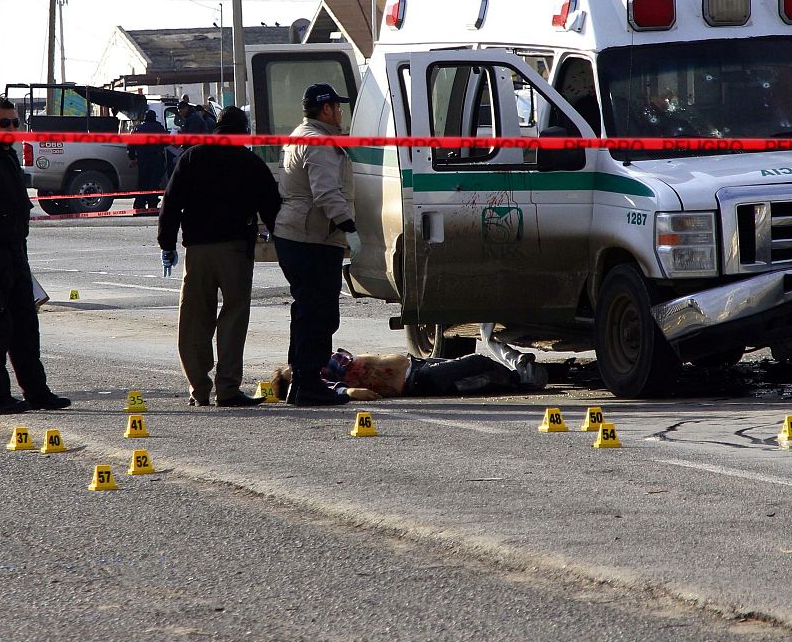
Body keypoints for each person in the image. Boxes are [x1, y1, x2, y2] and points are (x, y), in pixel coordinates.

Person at [158, 106, 282, 407]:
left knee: (194, 319)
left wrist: (167, 244)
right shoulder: (249, 161)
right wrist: (283, 241)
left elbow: (171, 203)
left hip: (197, 251)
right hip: (235, 251)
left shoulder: (191, 157)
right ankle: (227, 388)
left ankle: (198, 390)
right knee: (234, 316)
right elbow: (272, 207)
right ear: (243, 131)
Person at [0, 97, 70, 417]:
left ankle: (37, 392)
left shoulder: (8, 157)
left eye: (15, 123)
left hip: (15, 253)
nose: (11, 128)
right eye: (4, 123)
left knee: (26, 327)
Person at [273, 83, 357, 406]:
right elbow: (325, 193)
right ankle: (307, 382)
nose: (340, 114)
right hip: (311, 240)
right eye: (337, 107)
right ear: (326, 109)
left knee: (307, 309)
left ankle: (301, 380)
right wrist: (349, 227)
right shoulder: (319, 142)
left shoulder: (302, 134)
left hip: (300, 236)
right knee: (319, 312)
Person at [274, 348, 522, 402]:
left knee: (482, 375)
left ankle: (516, 376)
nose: (296, 369)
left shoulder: (321, 361)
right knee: (477, 363)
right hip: (416, 380)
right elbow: (336, 389)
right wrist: (349, 391)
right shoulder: (318, 381)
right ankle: (521, 377)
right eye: (292, 373)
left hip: (415, 364)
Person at [129, 108, 169, 214]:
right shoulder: (159, 128)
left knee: (142, 184)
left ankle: (140, 207)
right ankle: (152, 207)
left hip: (143, 160)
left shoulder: (138, 129)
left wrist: (132, 158)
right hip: (156, 159)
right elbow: (167, 142)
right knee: (154, 184)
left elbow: (131, 146)